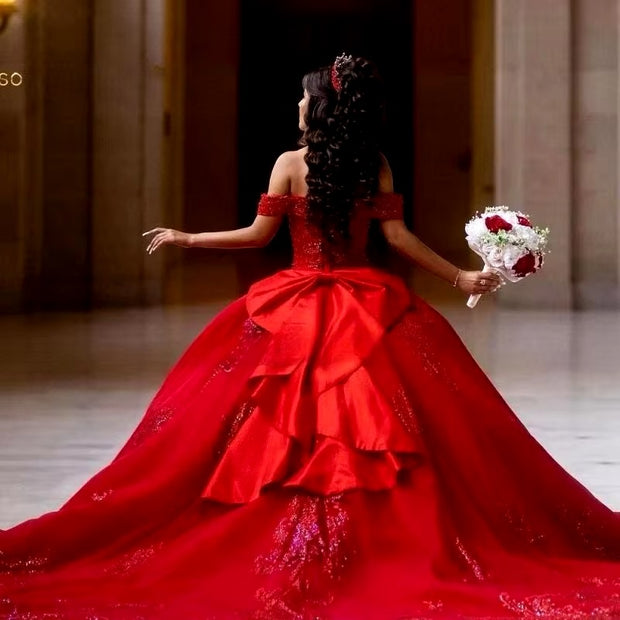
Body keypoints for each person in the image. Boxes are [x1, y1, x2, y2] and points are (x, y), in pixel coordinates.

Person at [1, 54, 619, 620]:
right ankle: (390, 536)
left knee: (259, 421)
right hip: (369, 303)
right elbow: (398, 240)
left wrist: (189, 240)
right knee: (400, 420)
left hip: (293, 303)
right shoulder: (372, 162)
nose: (296, 105)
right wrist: (459, 274)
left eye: (302, 97)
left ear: (318, 106)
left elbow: (256, 237)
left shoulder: (289, 164)